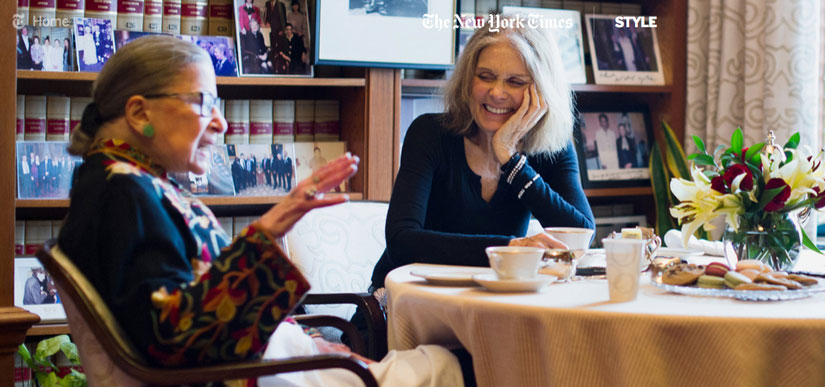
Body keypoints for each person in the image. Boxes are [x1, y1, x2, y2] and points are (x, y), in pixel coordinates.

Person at [57, 36, 461, 386]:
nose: (221, 123)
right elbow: (175, 340)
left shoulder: (123, 182)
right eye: (205, 103)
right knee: (448, 364)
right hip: (260, 374)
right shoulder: (122, 194)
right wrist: (265, 233)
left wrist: (306, 340)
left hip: (275, 362)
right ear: (139, 113)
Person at [370, 15, 595, 290]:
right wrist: (509, 249)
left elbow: (581, 235)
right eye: (485, 77)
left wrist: (512, 161)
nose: (496, 93)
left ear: (541, 90)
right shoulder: (429, 133)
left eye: (515, 81)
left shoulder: (552, 147)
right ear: (468, 79)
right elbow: (402, 242)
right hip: (407, 298)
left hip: (493, 300)